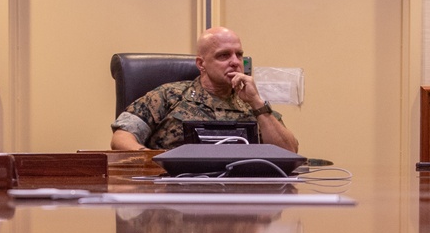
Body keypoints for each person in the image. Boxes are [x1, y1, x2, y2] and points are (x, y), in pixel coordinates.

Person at [111, 26, 300, 152]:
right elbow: (121, 138)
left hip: (240, 196)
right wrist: (155, 161)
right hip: (174, 195)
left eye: (239, 54)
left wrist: (257, 103)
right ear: (201, 64)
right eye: (224, 55)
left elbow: (289, 151)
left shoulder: (253, 104)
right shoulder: (169, 96)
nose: (235, 62)